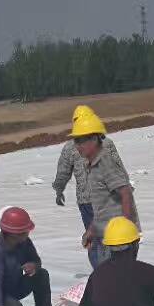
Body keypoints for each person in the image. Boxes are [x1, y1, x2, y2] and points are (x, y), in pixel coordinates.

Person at [53, 105, 120, 269]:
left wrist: (59, 190)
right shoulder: (106, 142)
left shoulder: (70, 146)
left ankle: (102, 274)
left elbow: (63, 172)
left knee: (94, 239)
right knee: (112, 235)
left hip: (87, 202)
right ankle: (114, 272)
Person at [74, 106, 138, 267]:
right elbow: (103, 207)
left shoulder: (105, 163)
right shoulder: (92, 165)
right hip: (106, 237)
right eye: (76, 141)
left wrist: (125, 232)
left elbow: (125, 193)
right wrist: (92, 230)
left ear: (95, 139)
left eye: (81, 140)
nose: (78, 146)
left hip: (118, 242)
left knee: (113, 284)